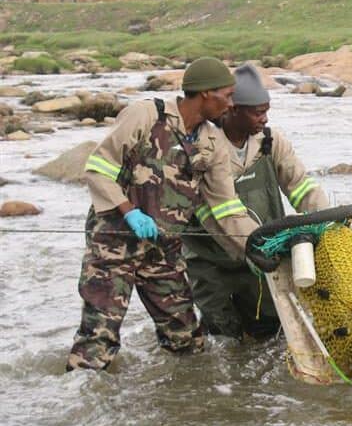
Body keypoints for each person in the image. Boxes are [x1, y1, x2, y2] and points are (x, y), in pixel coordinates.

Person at [66, 57, 263, 371]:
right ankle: (84, 405)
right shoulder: (145, 115)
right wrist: (129, 212)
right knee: (97, 341)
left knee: (187, 341)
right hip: (112, 244)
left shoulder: (213, 144)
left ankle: (184, 404)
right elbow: (98, 169)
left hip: (163, 251)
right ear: (204, 94)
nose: (231, 103)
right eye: (226, 96)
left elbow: (226, 207)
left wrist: (256, 247)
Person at [183, 63, 328, 340]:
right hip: (211, 262)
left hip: (260, 259)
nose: (264, 119)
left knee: (268, 334)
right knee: (222, 337)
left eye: (267, 111)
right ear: (232, 110)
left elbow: (302, 187)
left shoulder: (271, 142)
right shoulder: (205, 148)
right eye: (258, 113)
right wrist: (257, 246)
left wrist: (327, 223)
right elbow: (221, 211)